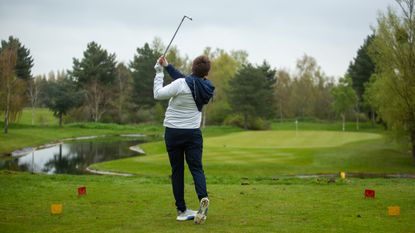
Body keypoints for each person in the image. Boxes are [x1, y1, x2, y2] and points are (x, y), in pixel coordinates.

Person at [153, 55, 215, 224]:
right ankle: (203, 197)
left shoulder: (181, 84)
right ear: (206, 72)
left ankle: (181, 210)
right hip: (193, 134)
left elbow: (158, 94)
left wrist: (159, 72)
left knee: (177, 171)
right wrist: (168, 66)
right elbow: (187, 80)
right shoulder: (207, 87)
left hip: (173, 133)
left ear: (192, 67)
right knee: (197, 169)